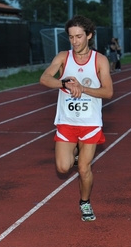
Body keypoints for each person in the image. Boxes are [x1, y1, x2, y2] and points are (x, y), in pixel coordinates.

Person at [39, 15, 113, 222]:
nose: (75, 41)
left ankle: (85, 202)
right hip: (67, 122)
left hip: (90, 123)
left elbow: (108, 92)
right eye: (71, 37)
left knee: (83, 168)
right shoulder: (63, 57)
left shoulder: (100, 60)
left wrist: (83, 88)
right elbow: (44, 78)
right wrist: (64, 84)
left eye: (79, 36)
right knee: (63, 167)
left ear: (89, 35)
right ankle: (76, 154)